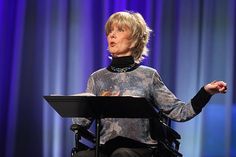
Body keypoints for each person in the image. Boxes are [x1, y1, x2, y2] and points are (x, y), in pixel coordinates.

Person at [72, 11, 227, 157]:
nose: (112, 35)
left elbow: (179, 112)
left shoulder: (148, 76)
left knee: (122, 154)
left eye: (119, 30)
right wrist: (81, 104)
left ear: (134, 39)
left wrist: (205, 92)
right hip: (106, 147)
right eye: (109, 31)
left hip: (140, 149)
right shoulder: (97, 78)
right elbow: (81, 123)